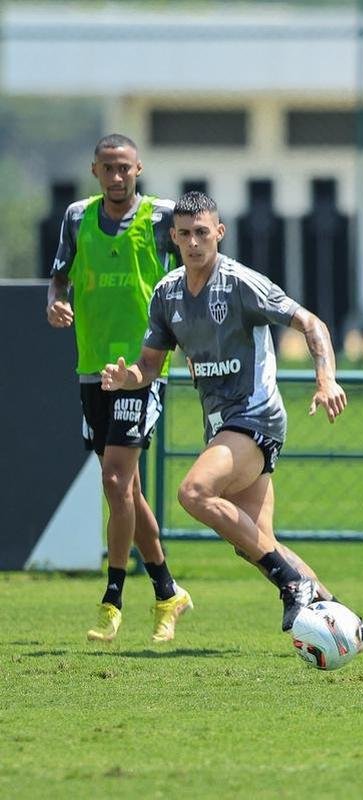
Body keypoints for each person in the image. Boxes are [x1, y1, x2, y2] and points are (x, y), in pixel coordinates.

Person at [100, 191, 363, 647]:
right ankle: (350, 624)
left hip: (256, 416)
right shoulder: (167, 294)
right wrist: (125, 376)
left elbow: (312, 323)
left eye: (202, 233)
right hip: (224, 425)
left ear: (219, 233)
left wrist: (326, 380)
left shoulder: (240, 282)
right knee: (258, 540)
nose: (193, 242)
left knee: (193, 492)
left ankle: (291, 585)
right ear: (174, 237)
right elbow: (148, 368)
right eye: (184, 234)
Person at [46, 133, 191, 644]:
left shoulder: (160, 218)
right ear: (94, 170)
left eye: (124, 167)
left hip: (142, 367)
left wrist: (187, 339)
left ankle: (112, 601)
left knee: (113, 482)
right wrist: (54, 302)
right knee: (125, 487)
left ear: (138, 168)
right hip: (92, 366)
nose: (116, 176)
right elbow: (60, 276)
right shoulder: (77, 218)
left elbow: (198, 266)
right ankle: (168, 591)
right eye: (107, 167)